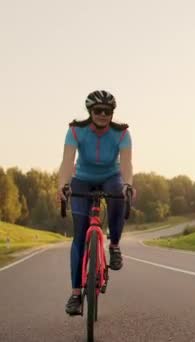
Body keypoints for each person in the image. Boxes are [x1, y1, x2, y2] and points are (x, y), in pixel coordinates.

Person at [56, 90, 134, 315]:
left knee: (119, 194)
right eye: (98, 110)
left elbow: (127, 164)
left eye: (107, 111)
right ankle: (75, 295)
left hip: (111, 176)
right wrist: (63, 185)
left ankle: (115, 246)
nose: (102, 114)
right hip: (82, 180)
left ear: (112, 113)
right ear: (90, 112)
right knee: (79, 235)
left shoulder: (122, 133)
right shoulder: (75, 130)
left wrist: (128, 183)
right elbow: (67, 162)